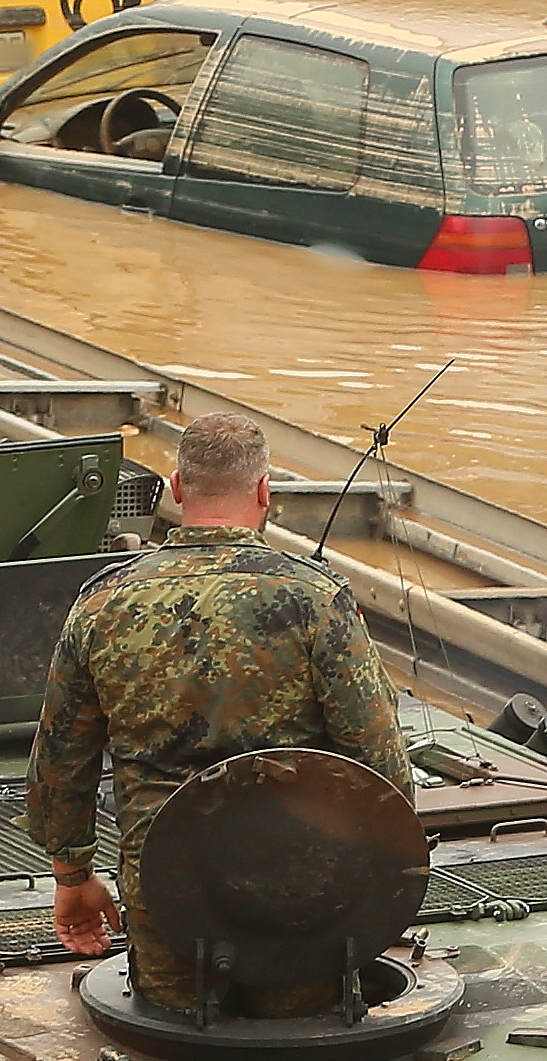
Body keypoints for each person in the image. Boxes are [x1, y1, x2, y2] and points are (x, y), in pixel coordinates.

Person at [25, 411, 406, 1012]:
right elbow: (379, 759)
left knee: (178, 1039)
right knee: (298, 1035)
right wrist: (382, 884)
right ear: (264, 492)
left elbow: (61, 757)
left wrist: (72, 876)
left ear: (176, 487)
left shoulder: (103, 601)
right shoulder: (315, 599)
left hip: (164, 883)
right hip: (299, 881)